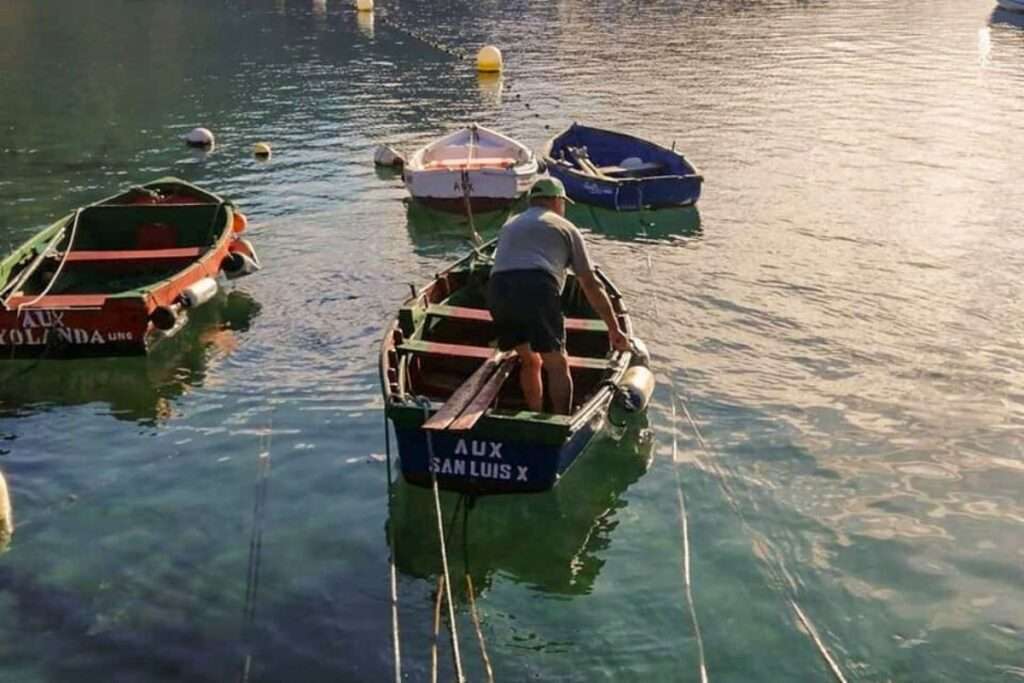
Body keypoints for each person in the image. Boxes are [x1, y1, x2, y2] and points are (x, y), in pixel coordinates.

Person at [488, 177, 630, 415]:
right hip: (537, 288)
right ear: (557, 201)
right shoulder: (565, 227)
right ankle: (559, 422)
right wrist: (614, 329)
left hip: (497, 290)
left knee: (530, 360)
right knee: (557, 363)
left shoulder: (510, 225)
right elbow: (590, 283)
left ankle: (534, 413)